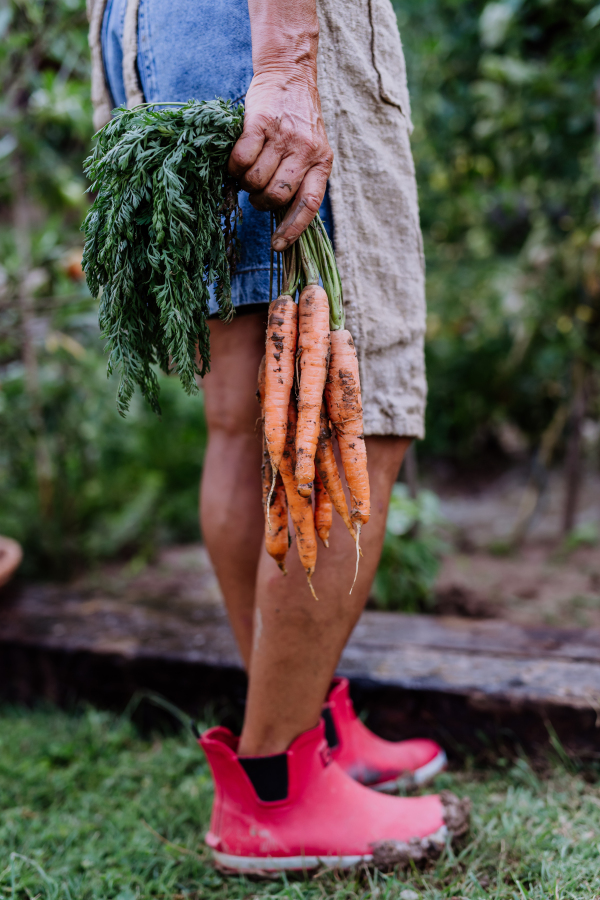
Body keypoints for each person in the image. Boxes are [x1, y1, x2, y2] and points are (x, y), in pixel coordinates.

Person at [89, 0, 466, 873]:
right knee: (351, 413)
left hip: (156, 29)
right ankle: (277, 785)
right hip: (258, 34)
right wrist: (289, 65)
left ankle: (305, 727)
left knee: (246, 413)